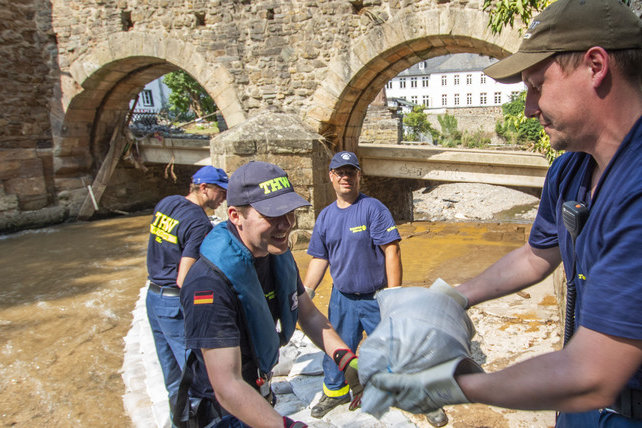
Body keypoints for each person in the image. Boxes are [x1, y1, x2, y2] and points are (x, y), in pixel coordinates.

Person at [368, 0, 642, 427]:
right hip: (593, 412)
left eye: (537, 85)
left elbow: (589, 375)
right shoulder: (573, 166)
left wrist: (451, 385)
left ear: (596, 66)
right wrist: (452, 297)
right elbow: (536, 255)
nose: (527, 107)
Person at [178, 161, 362, 428]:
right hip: (222, 413)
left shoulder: (275, 254)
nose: (286, 224)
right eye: (271, 215)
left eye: (289, 211)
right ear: (234, 215)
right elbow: (226, 385)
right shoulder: (208, 285)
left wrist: (345, 359)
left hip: (259, 390)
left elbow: (307, 313)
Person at [300, 152, 452, 424]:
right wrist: (306, 292)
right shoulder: (325, 217)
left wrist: (394, 296)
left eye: (351, 172)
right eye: (340, 172)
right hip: (342, 298)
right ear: (331, 176)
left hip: (377, 297)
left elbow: (392, 252)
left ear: (359, 176)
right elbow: (319, 258)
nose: (345, 177)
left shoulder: (373, 209)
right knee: (337, 348)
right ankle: (335, 391)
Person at [146, 165, 228, 422]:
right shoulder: (198, 222)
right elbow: (185, 278)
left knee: (172, 376)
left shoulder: (166, 203)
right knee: (194, 377)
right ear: (204, 188)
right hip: (174, 306)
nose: (223, 197)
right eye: (220, 191)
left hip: (153, 297)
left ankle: (176, 422)